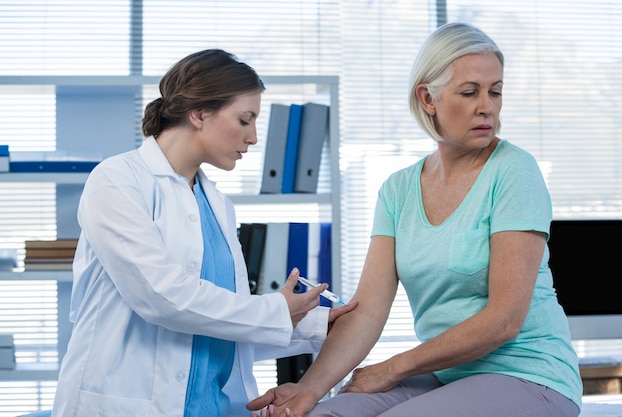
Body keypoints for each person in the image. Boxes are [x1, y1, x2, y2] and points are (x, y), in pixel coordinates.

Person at [247, 22, 583, 417]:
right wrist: (309, 390)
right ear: (428, 98)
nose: (486, 106)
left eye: (495, 92)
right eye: (470, 92)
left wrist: (394, 367)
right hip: (445, 375)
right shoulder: (398, 190)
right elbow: (367, 311)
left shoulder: (515, 172)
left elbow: (504, 321)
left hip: (530, 376)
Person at [51, 49, 355, 417]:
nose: (254, 137)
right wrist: (275, 311)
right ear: (199, 114)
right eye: (245, 120)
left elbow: (215, 330)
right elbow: (161, 297)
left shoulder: (216, 204)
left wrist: (312, 325)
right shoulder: (117, 180)